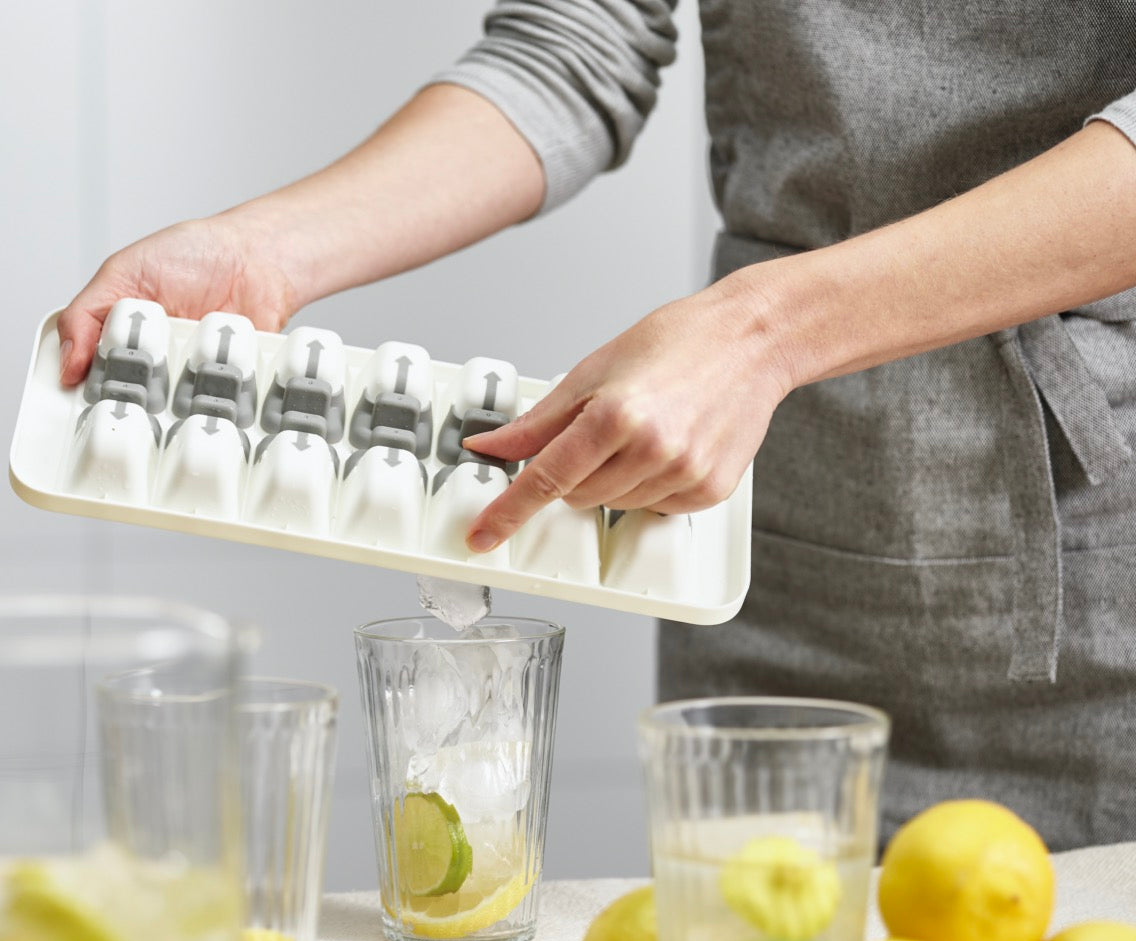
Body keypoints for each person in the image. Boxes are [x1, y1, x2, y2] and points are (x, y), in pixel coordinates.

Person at [59, 2, 1136, 850]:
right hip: (784, 515)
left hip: (1090, 551)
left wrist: (761, 331)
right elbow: (574, 42)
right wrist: (268, 252)